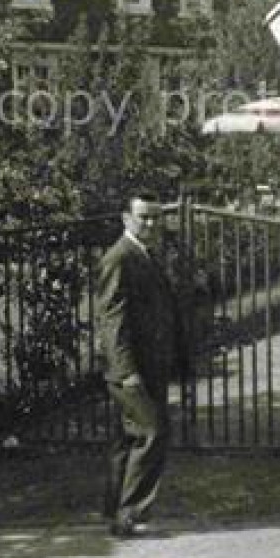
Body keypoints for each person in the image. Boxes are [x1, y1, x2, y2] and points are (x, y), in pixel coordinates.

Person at [96, 195, 184, 538]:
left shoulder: (143, 255)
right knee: (152, 433)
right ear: (125, 218)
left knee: (129, 437)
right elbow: (111, 320)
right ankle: (129, 514)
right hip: (131, 370)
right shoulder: (119, 258)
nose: (151, 224)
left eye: (156, 218)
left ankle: (113, 511)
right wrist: (126, 370)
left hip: (149, 365)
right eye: (144, 217)